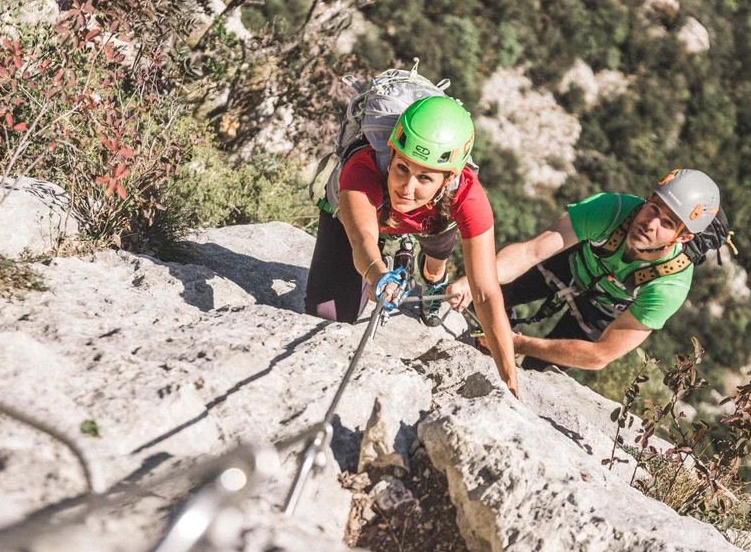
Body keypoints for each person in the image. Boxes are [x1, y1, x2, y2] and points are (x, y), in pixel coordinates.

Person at [304, 96, 520, 397]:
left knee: (437, 253)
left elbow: (485, 292)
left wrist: (509, 380)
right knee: (327, 315)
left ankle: (434, 279)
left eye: (425, 178)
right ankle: (396, 248)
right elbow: (362, 238)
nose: (407, 188)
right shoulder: (363, 168)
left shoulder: (467, 196)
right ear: (391, 154)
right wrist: (379, 274)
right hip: (371, 217)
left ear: (449, 179)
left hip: (432, 218)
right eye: (402, 168)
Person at [448, 169, 722, 371]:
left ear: (683, 238)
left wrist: (518, 343)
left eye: (668, 223)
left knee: (538, 369)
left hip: (604, 308)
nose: (651, 223)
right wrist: (470, 282)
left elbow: (600, 355)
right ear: (648, 198)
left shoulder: (669, 286)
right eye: (653, 209)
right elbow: (529, 252)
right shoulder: (609, 210)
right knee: (493, 294)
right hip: (571, 265)